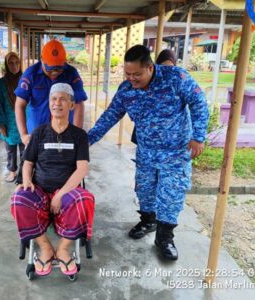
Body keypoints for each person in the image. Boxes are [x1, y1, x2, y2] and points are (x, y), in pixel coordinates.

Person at [88, 45, 209, 261]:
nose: (132, 79)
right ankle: (148, 221)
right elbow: (110, 116)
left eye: (137, 74)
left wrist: (198, 137)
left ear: (150, 68)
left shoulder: (176, 78)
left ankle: (165, 238)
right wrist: (85, 141)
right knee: (144, 190)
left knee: (170, 195)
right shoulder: (126, 90)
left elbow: (199, 102)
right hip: (146, 152)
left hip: (176, 152)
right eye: (128, 74)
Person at [10, 83, 94, 277]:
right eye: (54, 99)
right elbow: (28, 162)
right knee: (19, 199)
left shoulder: (79, 136)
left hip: (66, 193)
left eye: (63, 99)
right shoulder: (39, 132)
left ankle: (64, 248)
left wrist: (61, 194)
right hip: (40, 190)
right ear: (49, 104)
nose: (58, 103)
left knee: (85, 199)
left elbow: (82, 168)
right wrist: (26, 180)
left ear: (71, 105)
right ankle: (45, 247)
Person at [14, 40, 88, 146]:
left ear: (65, 61)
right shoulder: (31, 74)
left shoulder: (71, 74)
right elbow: (19, 104)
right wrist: (24, 135)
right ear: (42, 60)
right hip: (37, 133)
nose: (54, 73)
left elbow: (79, 104)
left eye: (59, 69)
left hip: (64, 133)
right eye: (50, 69)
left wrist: (76, 134)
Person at [131, 49, 178, 144]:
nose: (167, 71)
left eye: (170, 67)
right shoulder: (147, 81)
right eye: (164, 66)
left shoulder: (177, 83)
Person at [0, 52, 24, 182]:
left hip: (24, 120)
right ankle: (12, 172)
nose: (15, 66)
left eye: (17, 63)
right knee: (10, 150)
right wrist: (1, 124)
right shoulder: (2, 83)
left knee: (25, 150)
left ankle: (24, 173)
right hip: (8, 122)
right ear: (6, 65)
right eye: (11, 63)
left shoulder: (25, 80)